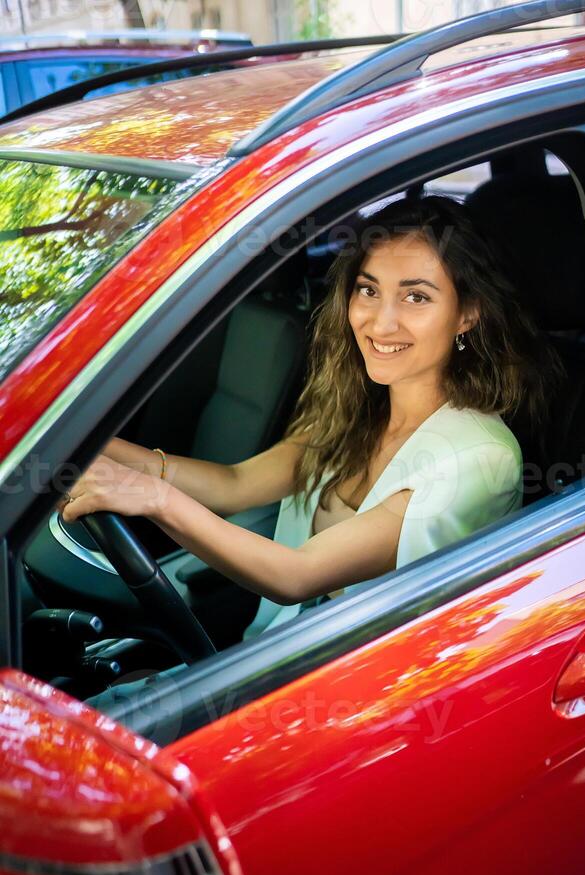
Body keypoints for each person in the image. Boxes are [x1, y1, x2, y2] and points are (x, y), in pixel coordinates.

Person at [59, 194, 559, 642]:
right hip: (279, 653)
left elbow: (296, 574)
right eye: (368, 290)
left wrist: (152, 498)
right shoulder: (353, 409)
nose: (380, 321)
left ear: (468, 314)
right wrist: (70, 441)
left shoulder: (480, 457)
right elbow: (234, 484)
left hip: (363, 697)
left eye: (416, 296)